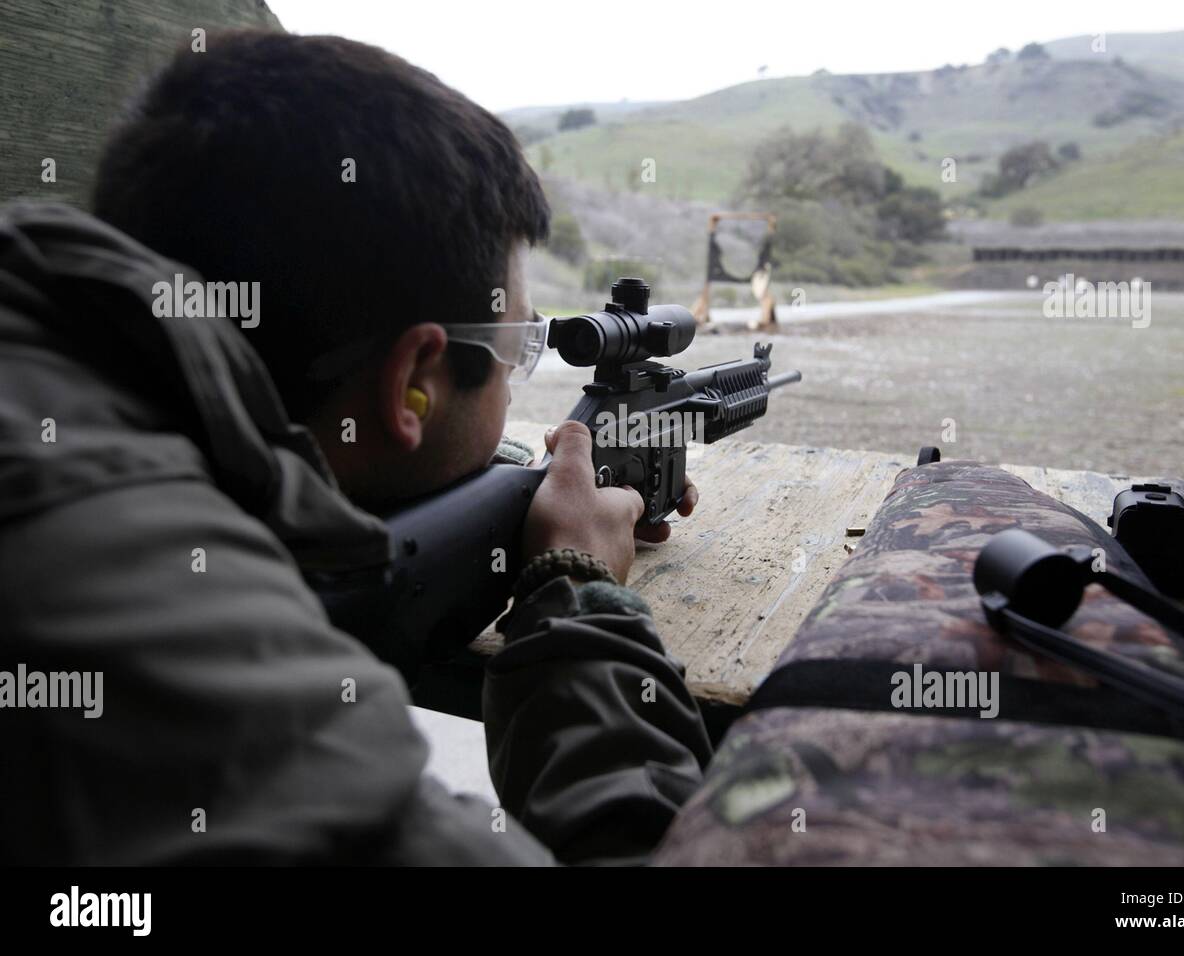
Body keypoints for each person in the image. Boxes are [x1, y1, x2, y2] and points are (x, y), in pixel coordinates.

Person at [0, 31, 711, 865]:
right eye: (518, 351)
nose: (517, 380)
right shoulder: (194, 665)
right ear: (414, 382)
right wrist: (580, 591)